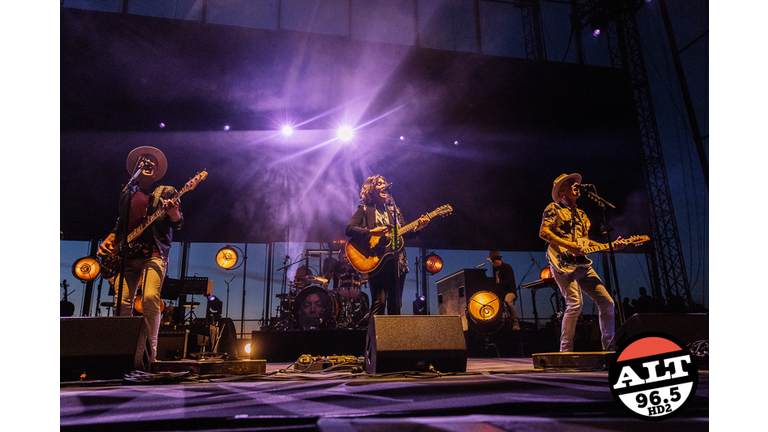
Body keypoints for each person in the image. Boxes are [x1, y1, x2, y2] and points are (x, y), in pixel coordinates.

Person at [97, 146, 183, 362]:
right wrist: (110, 237)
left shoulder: (167, 191)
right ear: (137, 166)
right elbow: (122, 222)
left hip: (153, 253)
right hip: (127, 254)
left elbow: (179, 222)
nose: (148, 162)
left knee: (150, 298)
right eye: (144, 160)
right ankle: (123, 354)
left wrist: (173, 213)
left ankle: (149, 355)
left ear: (157, 170)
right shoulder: (128, 192)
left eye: (152, 161)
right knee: (122, 302)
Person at [539, 173, 624, 352]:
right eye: (571, 184)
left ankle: (609, 348)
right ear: (562, 191)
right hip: (561, 260)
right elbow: (544, 233)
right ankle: (566, 350)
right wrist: (568, 245)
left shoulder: (583, 215)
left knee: (608, 303)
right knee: (575, 303)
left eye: (576, 184)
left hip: (582, 264)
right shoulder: (553, 208)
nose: (577, 186)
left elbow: (585, 243)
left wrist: (611, 246)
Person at [345, 175, 429, 316]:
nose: (384, 185)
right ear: (371, 190)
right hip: (376, 261)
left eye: (384, 183)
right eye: (379, 183)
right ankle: (374, 337)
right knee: (379, 304)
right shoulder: (365, 209)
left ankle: (394, 338)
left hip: (397, 262)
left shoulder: (395, 210)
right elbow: (349, 229)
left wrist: (417, 228)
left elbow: (403, 234)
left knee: (396, 305)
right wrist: (372, 232)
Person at [488, 250, 520, 330]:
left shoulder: (507, 268)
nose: (492, 264)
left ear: (496, 261)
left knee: (508, 301)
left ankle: (516, 323)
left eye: (492, 262)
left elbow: (507, 282)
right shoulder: (496, 270)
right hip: (501, 292)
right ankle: (496, 323)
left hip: (510, 291)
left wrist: (496, 287)